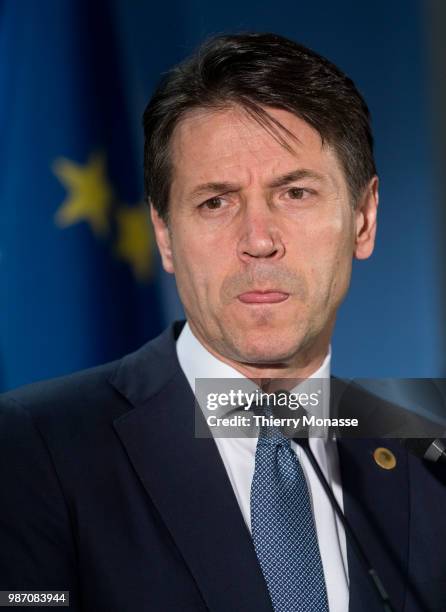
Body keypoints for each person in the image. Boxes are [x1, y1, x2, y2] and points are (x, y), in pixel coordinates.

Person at [0, 32, 445, 612]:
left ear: (363, 219)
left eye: (296, 193)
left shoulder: (424, 449)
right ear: (164, 235)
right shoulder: (34, 447)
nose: (258, 240)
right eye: (216, 201)